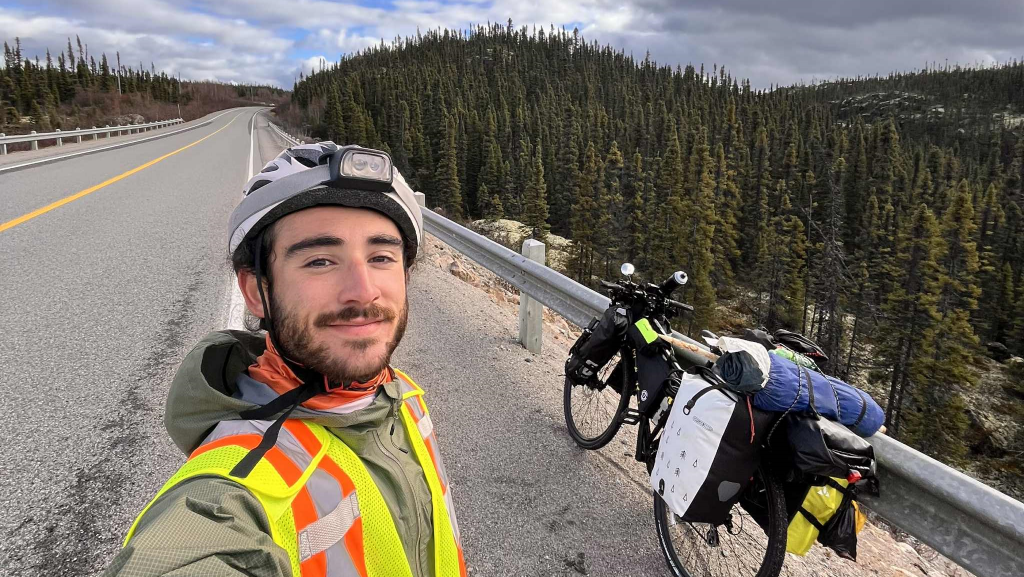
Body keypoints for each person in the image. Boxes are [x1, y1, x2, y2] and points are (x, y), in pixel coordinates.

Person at [105, 142, 466, 577]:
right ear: (257, 291)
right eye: (320, 261)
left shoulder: (402, 396)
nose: (363, 291)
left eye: (381, 257)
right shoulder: (230, 494)